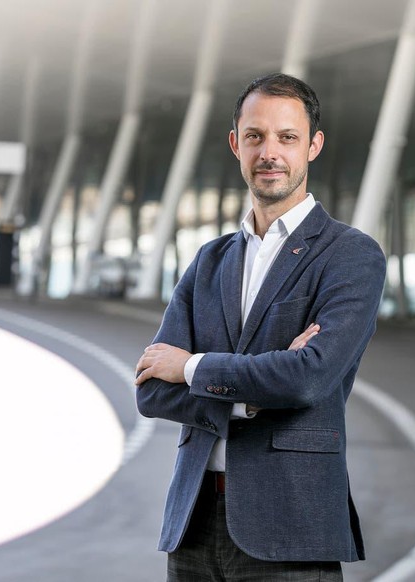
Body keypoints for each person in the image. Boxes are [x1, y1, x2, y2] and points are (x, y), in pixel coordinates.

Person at [134, 73, 386, 581]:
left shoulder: (350, 255)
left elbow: (307, 378)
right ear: (236, 144)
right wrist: (255, 392)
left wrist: (193, 366)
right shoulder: (209, 260)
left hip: (289, 528)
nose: (269, 151)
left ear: (313, 145)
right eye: (255, 136)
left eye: (287, 137)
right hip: (194, 524)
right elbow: (152, 393)